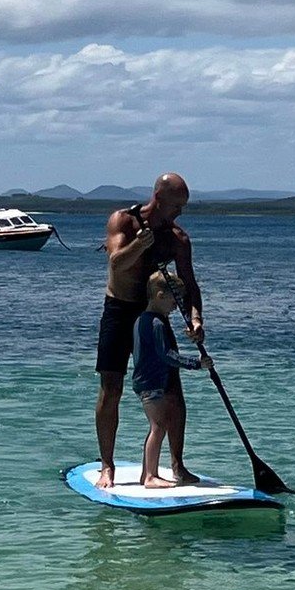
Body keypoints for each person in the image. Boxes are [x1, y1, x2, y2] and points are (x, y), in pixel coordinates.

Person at [94, 171, 205, 488]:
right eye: (176, 206)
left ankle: (178, 466)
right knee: (111, 388)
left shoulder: (177, 239)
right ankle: (107, 466)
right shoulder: (123, 221)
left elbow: (191, 285)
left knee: (173, 390)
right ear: (158, 199)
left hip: (152, 315)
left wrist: (196, 319)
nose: (180, 213)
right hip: (118, 308)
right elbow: (116, 263)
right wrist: (139, 246)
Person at [133, 271, 213, 487]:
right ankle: (150, 476)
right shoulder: (157, 324)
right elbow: (167, 355)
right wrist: (196, 363)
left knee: (158, 426)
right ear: (159, 295)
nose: (176, 306)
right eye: (174, 299)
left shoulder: (141, 319)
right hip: (151, 384)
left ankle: (147, 474)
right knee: (158, 427)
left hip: (147, 382)